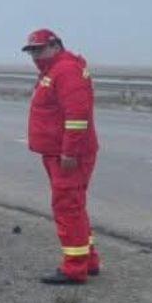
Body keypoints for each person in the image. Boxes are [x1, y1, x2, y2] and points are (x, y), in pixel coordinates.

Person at [22, 29, 101, 285]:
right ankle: (88, 260)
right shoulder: (53, 70)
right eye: (32, 51)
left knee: (67, 207)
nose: (35, 55)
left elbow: (77, 116)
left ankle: (74, 268)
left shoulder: (65, 70)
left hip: (68, 155)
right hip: (58, 152)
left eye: (39, 49)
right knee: (74, 206)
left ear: (55, 46)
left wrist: (69, 151)